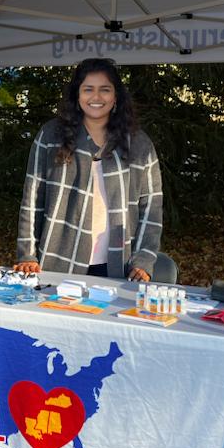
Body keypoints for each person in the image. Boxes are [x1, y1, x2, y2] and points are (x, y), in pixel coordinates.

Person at [14, 58, 162, 282]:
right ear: (77, 95)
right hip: (56, 262)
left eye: (105, 90)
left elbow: (151, 209)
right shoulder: (51, 135)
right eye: (88, 89)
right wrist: (27, 254)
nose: (96, 97)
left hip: (119, 265)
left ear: (116, 97)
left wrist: (143, 261)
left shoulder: (140, 145)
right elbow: (32, 198)